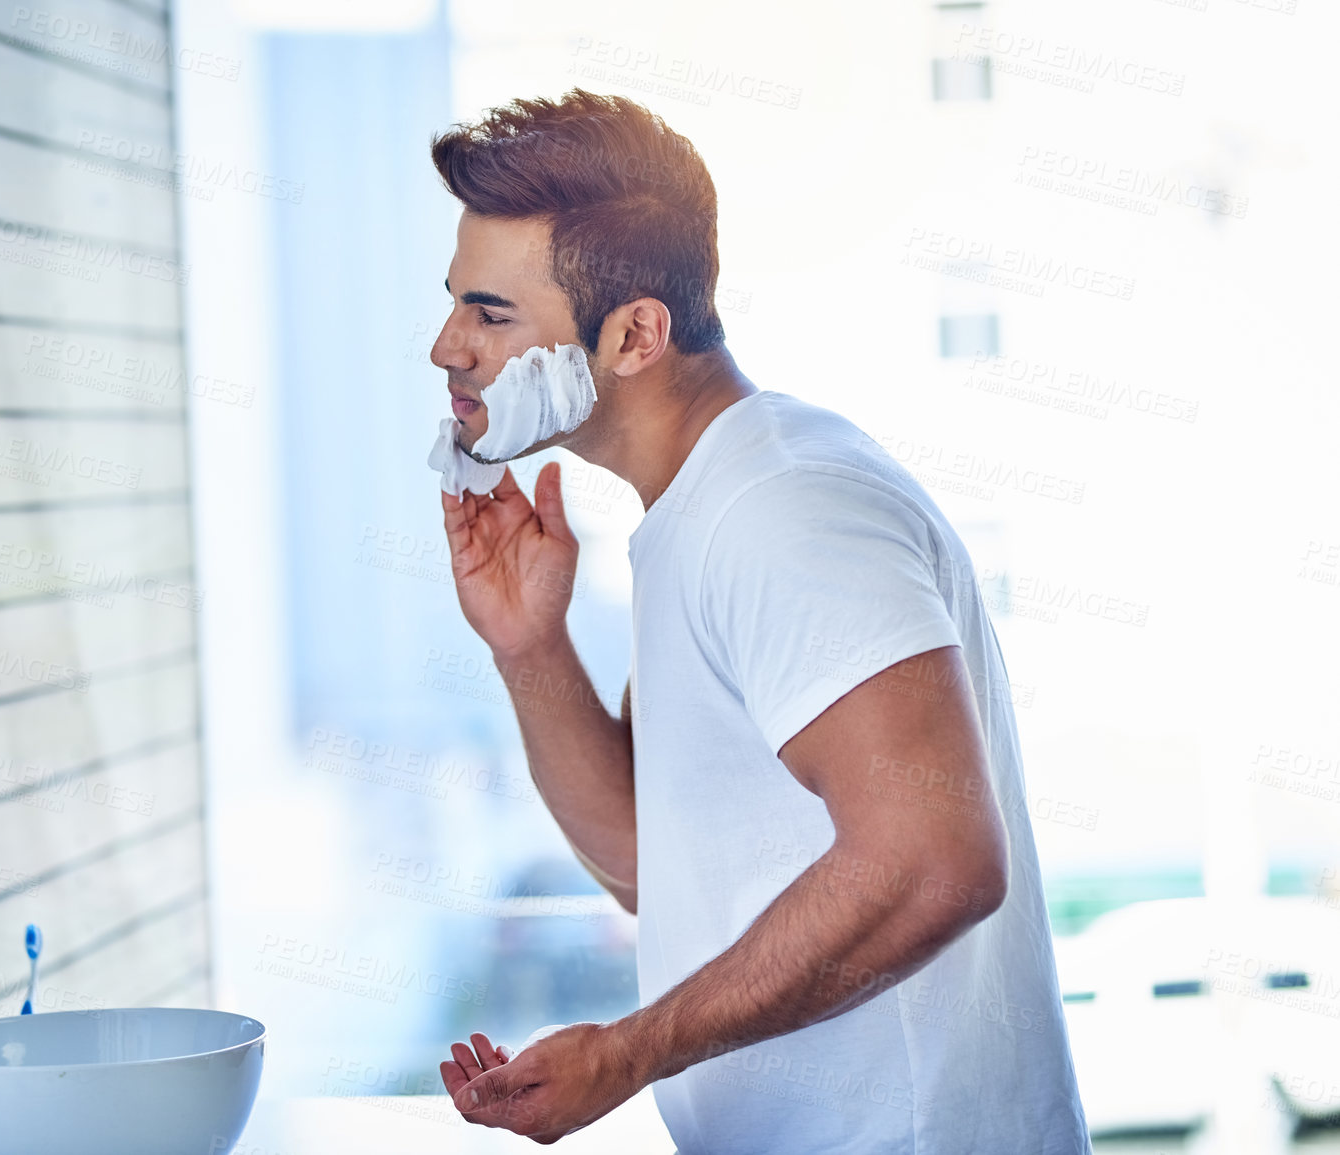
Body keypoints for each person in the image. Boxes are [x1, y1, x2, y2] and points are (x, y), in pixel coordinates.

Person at [426, 89, 1089, 1153]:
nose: (446, 349)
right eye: (457, 303)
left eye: (490, 315)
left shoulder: (784, 509)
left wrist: (631, 1053)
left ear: (636, 332)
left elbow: (936, 863)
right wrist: (530, 647)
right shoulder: (700, 505)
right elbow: (654, 868)